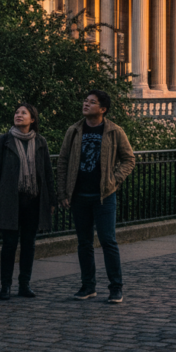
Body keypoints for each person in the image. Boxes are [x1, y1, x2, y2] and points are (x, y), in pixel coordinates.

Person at [57, 90, 136, 304]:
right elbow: (63, 161)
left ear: (103, 109)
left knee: (108, 241)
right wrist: (63, 192)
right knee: (84, 243)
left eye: (92, 102)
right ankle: (88, 286)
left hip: (104, 196)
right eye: (85, 101)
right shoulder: (74, 130)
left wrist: (113, 180)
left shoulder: (114, 131)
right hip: (78, 196)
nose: (86, 104)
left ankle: (116, 287)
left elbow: (129, 160)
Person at [0, 104, 56, 300]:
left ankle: (24, 284)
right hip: (10, 199)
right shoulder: (4, 140)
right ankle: (5, 286)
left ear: (32, 119)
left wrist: (51, 199)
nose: (18, 115)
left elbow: (48, 172)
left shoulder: (40, 141)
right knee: (9, 244)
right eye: (16, 112)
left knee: (29, 244)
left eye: (23, 113)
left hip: (33, 200)